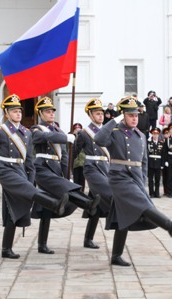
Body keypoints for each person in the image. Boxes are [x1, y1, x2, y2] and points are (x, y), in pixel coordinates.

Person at [0, 94, 69, 259]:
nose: (18, 114)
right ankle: (55, 205)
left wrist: (31, 179)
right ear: (6, 113)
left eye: (19, 111)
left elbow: (29, 161)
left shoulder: (26, 133)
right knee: (27, 191)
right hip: (5, 169)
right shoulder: (1, 131)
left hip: (19, 170)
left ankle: (6, 249)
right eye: (14, 111)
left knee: (15, 209)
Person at [94, 96, 172, 267]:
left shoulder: (141, 135)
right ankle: (169, 225)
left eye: (136, 115)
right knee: (142, 203)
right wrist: (114, 120)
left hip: (135, 178)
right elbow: (98, 139)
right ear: (123, 116)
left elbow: (144, 161)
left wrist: (142, 180)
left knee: (124, 216)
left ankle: (116, 255)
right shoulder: (115, 132)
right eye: (130, 115)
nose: (134, 118)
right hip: (119, 177)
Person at [31, 97, 100, 254]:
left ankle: (42, 244)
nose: (51, 114)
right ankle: (88, 204)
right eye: (47, 111)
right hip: (42, 169)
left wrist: (66, 175)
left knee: (46, 209)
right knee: (70, 190)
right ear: (40, 114)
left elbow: (64, 157)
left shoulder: (58, 130)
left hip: (55, 170)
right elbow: (41, 138)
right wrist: (65, 137)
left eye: (52, 111)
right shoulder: (37, 129)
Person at [73, 98, 113, 249]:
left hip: (106, 167)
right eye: (97, 113)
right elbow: (75, 152)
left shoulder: (108, 132)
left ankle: (88, 239)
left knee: (96, 205)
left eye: (102, 113)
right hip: (92, 167)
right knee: (108, 195)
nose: (100, 116)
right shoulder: (84, 133)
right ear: (90, 115)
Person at [147, 127, 163, 198]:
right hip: (151, 163)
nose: (155, 135)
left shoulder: (161, 143)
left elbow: (163, 154)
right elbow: (147, 154)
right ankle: (151, 193)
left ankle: (157, 193)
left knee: (157, 179)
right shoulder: (149, 143)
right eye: (154, 134)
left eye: (156, 134)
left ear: (158, 135)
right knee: (150, 179)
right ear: (152, 135)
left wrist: (162, 164)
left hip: (158, 163)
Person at [71, 123, 86, 192]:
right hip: (74, 161)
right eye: (75, 127)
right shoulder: (70, 137)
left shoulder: (83, 137)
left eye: (79, 127)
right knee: (75, 179)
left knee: (82, 179)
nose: (77, 128)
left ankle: (81, 193)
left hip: (82, 161)